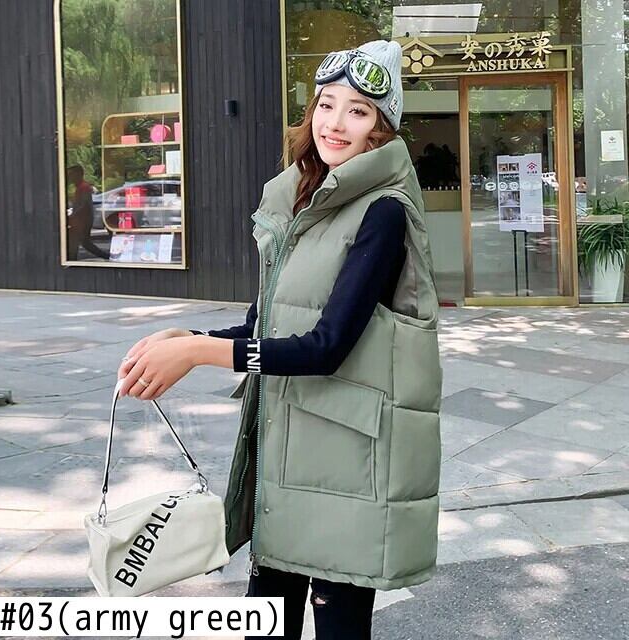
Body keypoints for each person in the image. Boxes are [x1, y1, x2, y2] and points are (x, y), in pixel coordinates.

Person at [117, 39, 442, 640]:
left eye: (358, 111)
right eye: (326, 105)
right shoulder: (303, 199)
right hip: (288, 443)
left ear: (380, 128)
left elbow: (326, 346)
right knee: (265, 617)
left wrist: (198, 353)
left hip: (349, 459)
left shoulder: (383, 211)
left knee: (338, 620)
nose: (335, 123)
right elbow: (265, 323)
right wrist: (190, 336)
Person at [66, 164, 110, 260]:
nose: (69, 177)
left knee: (78, 242)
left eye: (71, 174)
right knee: (83, 242)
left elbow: (83, 204)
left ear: (78, 174)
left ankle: (72, 261)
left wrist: (72, 215)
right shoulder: (80, 187)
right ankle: (106, 256)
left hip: (82, 221)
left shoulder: (84, 187)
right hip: (79, 221)